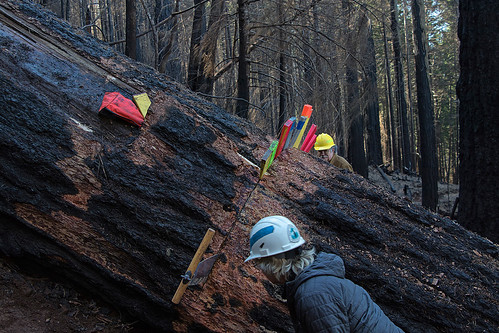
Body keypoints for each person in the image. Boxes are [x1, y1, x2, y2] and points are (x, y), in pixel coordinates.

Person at [245, 216, 404, 333]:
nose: (261, 270)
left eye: (260, 264)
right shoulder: (315, 283)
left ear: (274, 263)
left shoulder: (313, 294)